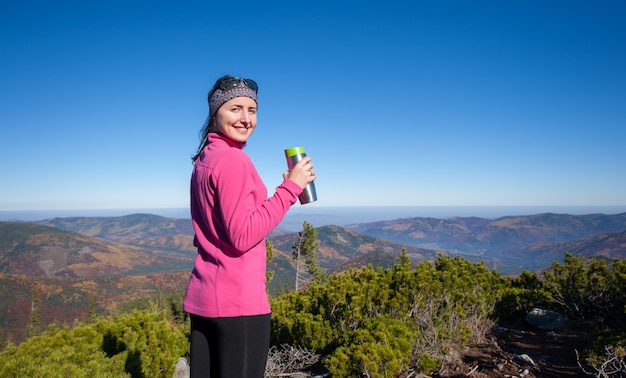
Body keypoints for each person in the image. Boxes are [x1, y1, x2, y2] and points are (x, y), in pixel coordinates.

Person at [183, 75, 316, 378]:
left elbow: (214, 230)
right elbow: (242, 236)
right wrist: (291, 188)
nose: (245, 119)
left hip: (206, 299)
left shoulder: (206, 159)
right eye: (235, 109)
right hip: (237, 304)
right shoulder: (232, 161)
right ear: (215, 113)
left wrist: (288, 194)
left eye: (252, 110)